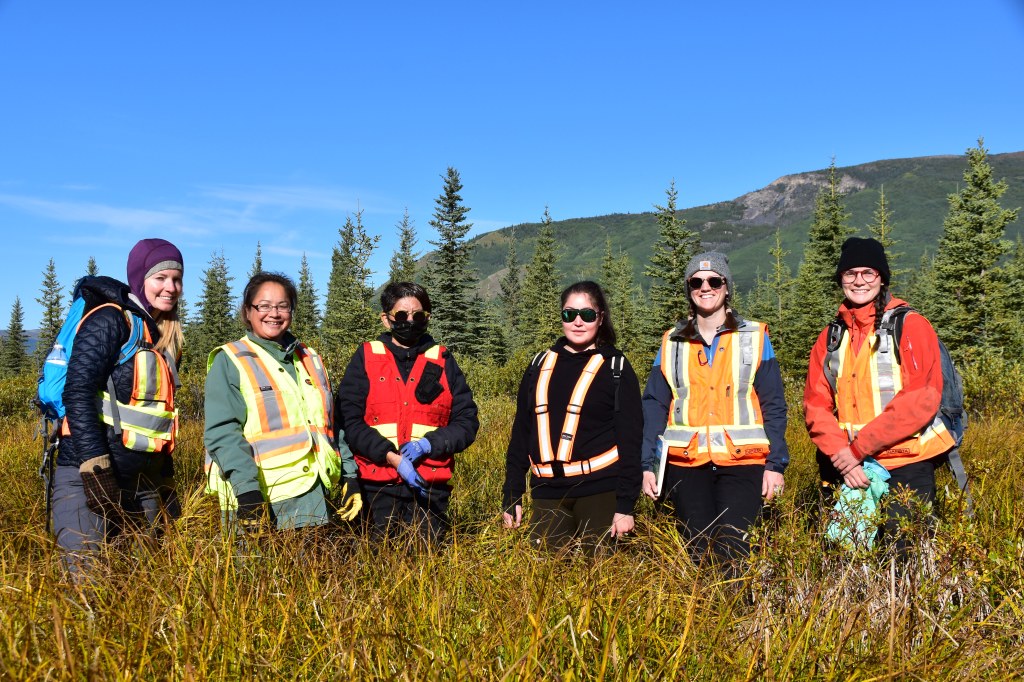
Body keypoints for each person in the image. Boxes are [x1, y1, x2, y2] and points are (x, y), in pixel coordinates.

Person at [804, 237, 957, 557]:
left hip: (906, 463)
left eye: (868, 272)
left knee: (903, 560)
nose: (859, 281)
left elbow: (921, 399)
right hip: (845, 468)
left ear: (882, 277)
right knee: (846, 560)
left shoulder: (911, 326)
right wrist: (841, 455)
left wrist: (857, 450)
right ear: (841, 280)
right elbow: (816, 404)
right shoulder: (831, 337)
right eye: (850, 274)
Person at [641, 252, 789, 565]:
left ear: (726, 286)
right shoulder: (671, 341)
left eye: (713, 280)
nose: (705, 287)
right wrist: (647, 465)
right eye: (696, 281)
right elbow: (655, 404)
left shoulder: (754, 336)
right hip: (685, 464)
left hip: (743, 462)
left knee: (734, 548)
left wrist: (775, 464)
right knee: (697, 551)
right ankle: (704, 615)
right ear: (689, 289)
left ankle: (740, 613)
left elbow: (774, 403)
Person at [51, 238, 184, 571]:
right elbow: (77, 392)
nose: (170, 287)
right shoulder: (112, 319)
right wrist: (96, 469)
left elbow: (155, 418)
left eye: (176, 279)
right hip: (87, 478)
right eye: (160, 278)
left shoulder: (161, 336)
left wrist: (165, 481)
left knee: (143, 588)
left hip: (142, 483)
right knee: (89, 591)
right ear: (140, 279)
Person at [204, 272, 361, 532]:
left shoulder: (309, 357)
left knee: (311, 571)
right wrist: (247, 493)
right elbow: (223, 433)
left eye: (282, 306)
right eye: (264, 306)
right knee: (256, 572)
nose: (273, 314)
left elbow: (330, 423)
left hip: (312, 495)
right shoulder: (230, 360)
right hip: (258, 498)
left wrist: (349, 474)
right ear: (248, 311)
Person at [502, 281, 643, 553]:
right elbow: (521, 432)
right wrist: (512, 492)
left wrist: (625, 506)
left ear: (600, 318)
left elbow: (631, 440)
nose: (578, 322)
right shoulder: (539, 365)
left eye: (587, 315)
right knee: (545, 581)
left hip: (600, 491)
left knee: (601, 582)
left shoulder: (615, 367)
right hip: (547, 493)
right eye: (569, 314)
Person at [335, 282, 479, 543]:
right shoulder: (366, 356)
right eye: (401, 315)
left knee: (426, 571)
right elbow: (349, 422)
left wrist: (428, 445)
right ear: (386, 319)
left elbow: (467, 422)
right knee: (375, 568)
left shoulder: (443, 359)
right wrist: (390, 456)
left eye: (418, 315)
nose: (409, 321)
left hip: (429, 488)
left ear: (428, 318)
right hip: (375, 487)